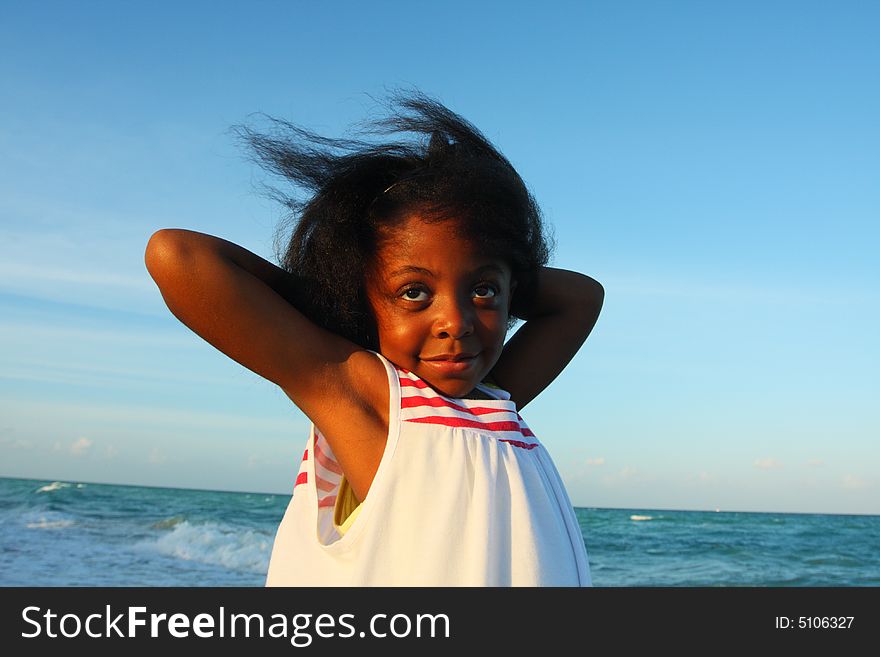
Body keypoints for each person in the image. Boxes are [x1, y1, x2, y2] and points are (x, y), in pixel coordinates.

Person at [144, 91, 604, 586]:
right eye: (414, 292)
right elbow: (178, 255)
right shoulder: (368, 401)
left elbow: (582, 297)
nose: (456, 322)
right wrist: (341, 299)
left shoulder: (496, 400)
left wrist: (497, 275)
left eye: (483, 291)